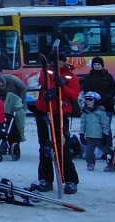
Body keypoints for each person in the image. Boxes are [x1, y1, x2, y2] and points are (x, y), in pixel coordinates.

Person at [34, 49, 80, 193]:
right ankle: (46, 179)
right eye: (55, 61)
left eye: (60, 60)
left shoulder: (71, 76)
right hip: (44, 111)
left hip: (61, 114)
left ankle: (71, 180)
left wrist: (63, 87)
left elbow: (74, 94)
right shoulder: (46, 71)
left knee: (61, 146)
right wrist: (50, 90)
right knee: (45, 147)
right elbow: (43, 80)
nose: (57, 63)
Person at [79, 91, 110, 170]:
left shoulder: (101, 113)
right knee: (89, 152)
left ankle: (111, 162)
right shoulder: (85, 113)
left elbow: (105, 125)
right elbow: (83, 124)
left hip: (100, 137)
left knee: (106, 151)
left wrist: (105, 135)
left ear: (96, 101)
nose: (88, 101)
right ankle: (90, 162)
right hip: (90, 137)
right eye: (86, 99)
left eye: (90, 99)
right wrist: (82, 134)